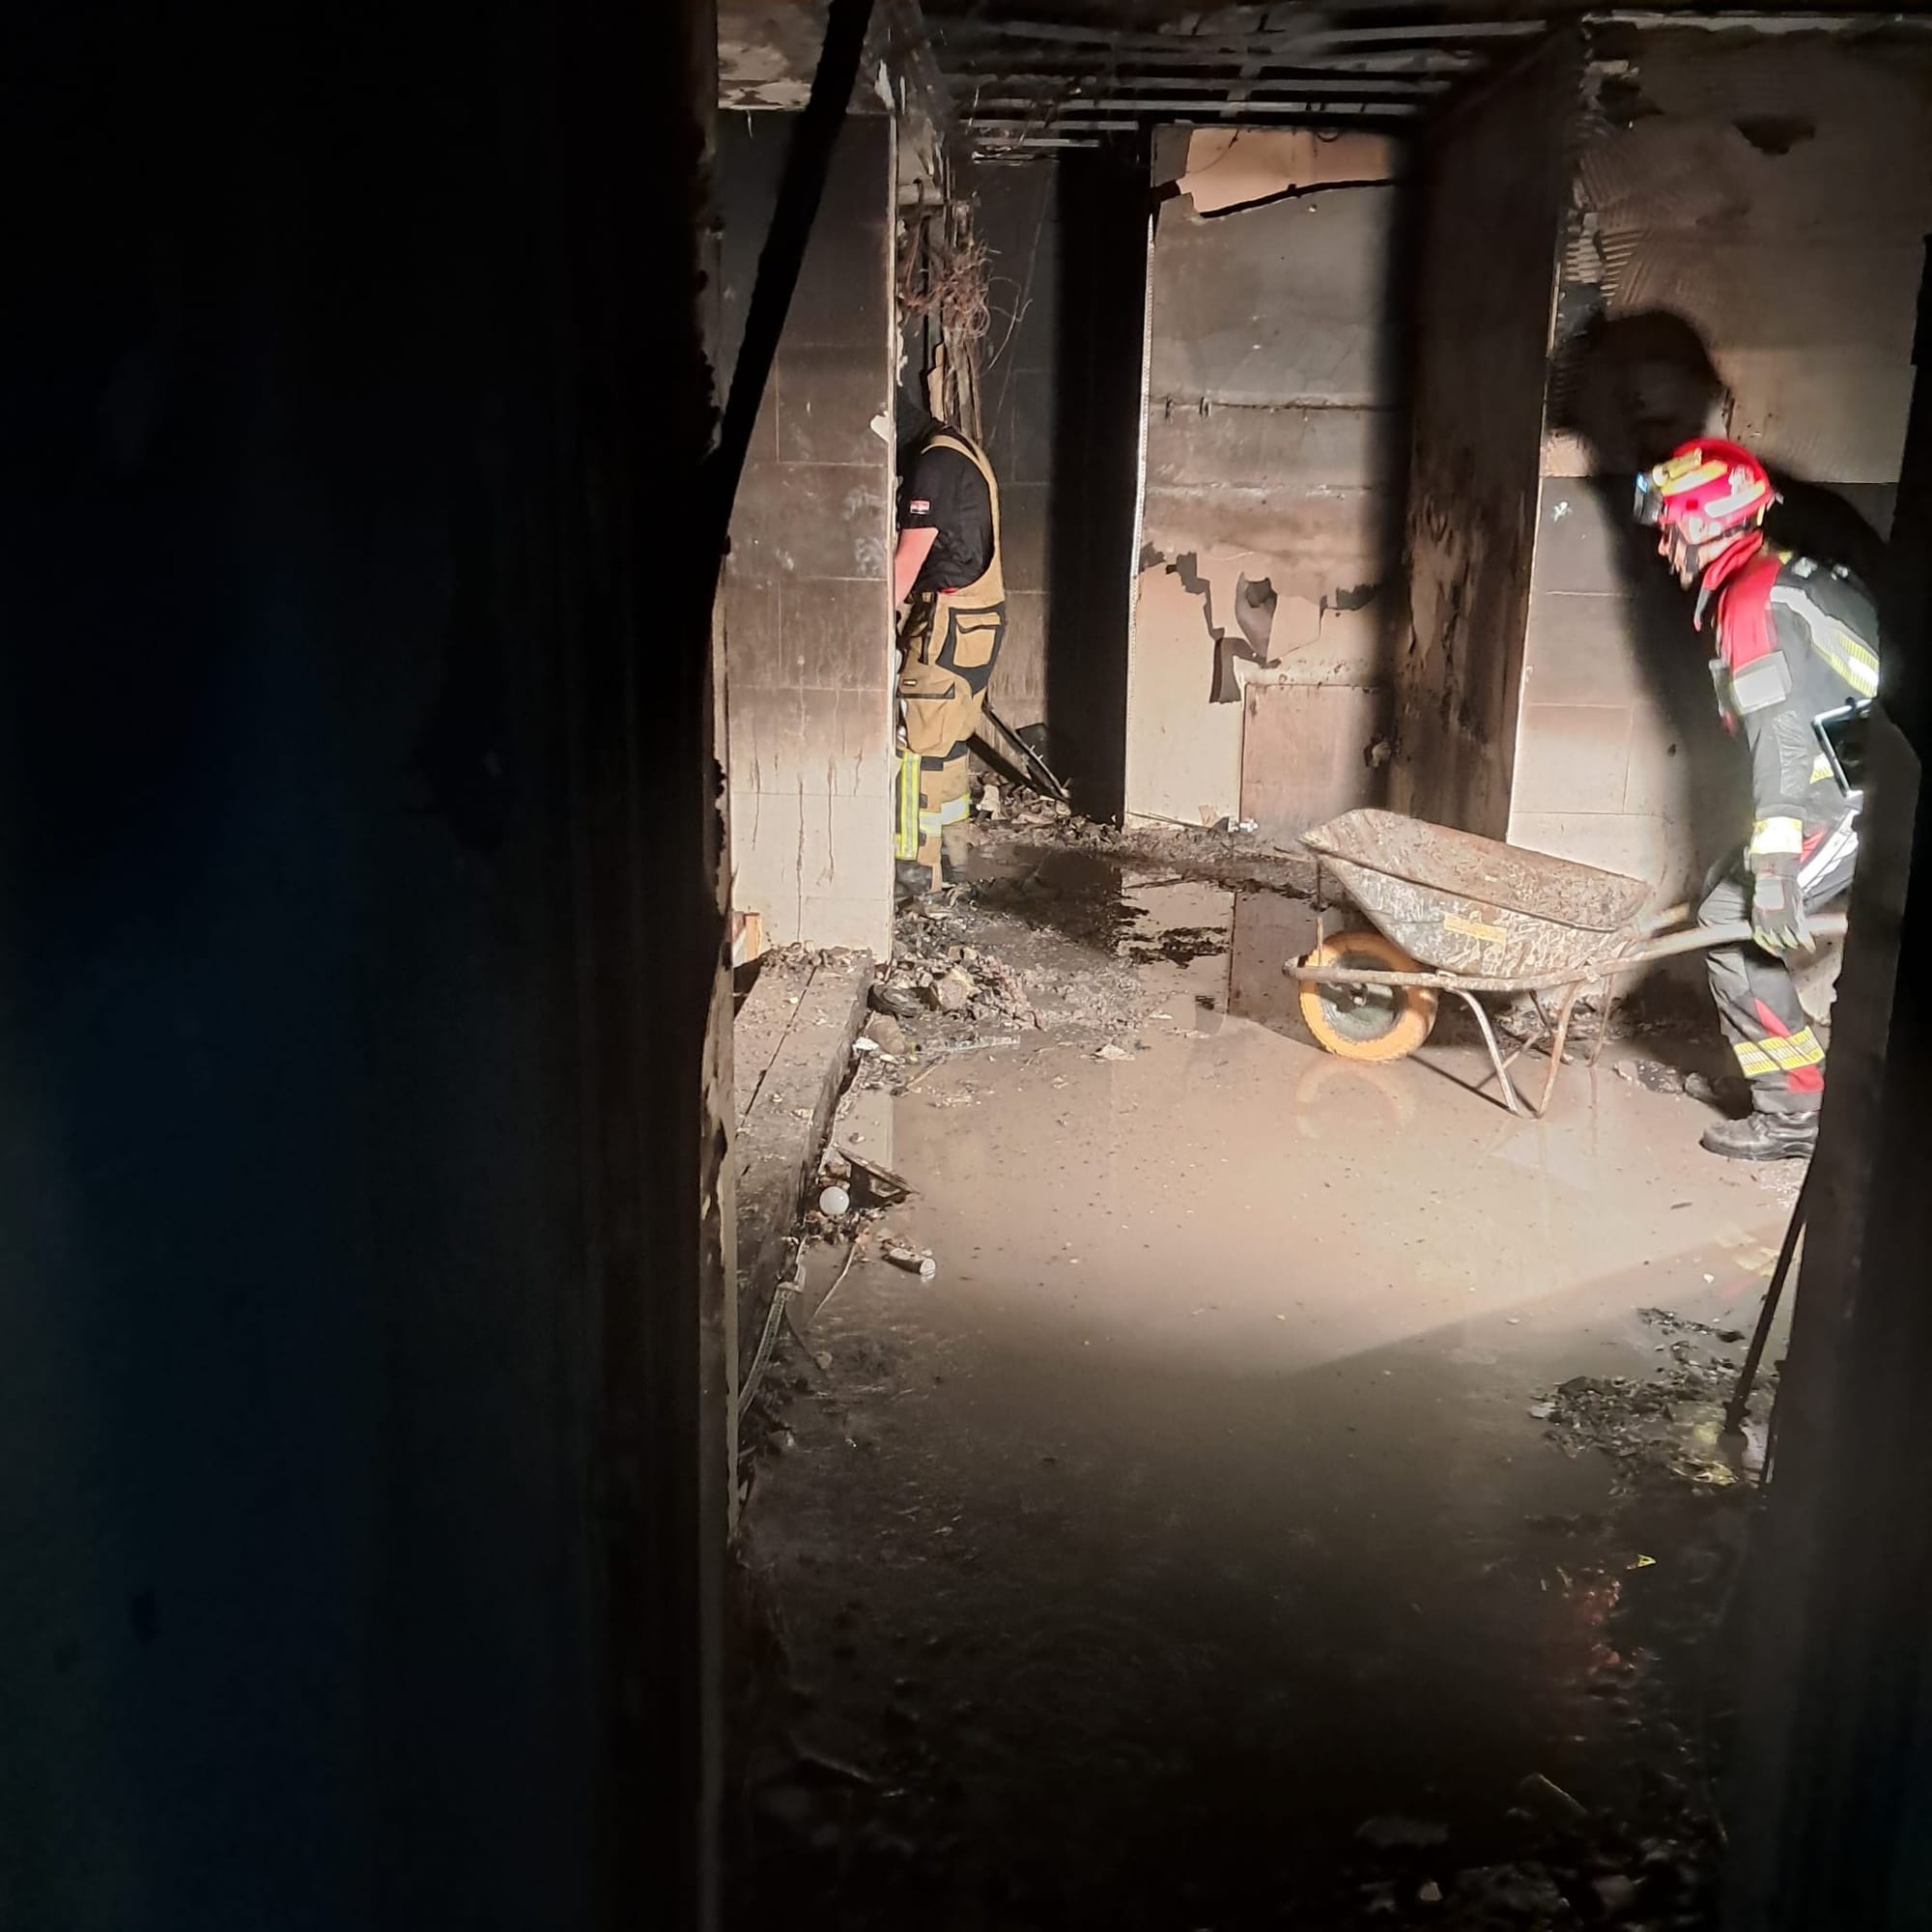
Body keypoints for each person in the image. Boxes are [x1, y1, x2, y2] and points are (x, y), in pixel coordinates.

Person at [1634, 438, 1881, 1160]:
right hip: (1860, 779)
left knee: (1732, 931)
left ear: (1708, 526)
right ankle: (1796, 1085)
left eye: (1670, 528)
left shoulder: (1751, 603)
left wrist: (1775, 874)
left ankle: (1795, 1112)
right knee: (1723, 893)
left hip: (1857, 797)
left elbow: (1783, 742)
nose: (1663, 545)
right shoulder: (1779, 576)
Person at [891, 414, 1006, 897]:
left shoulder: (933, 463)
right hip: (978, 619)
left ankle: (915, 878)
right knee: (951, 745)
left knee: (917, 749)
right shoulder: (961, 449)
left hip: (946, 622)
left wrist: (870, 628)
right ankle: (954, 863)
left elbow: (906, 563)